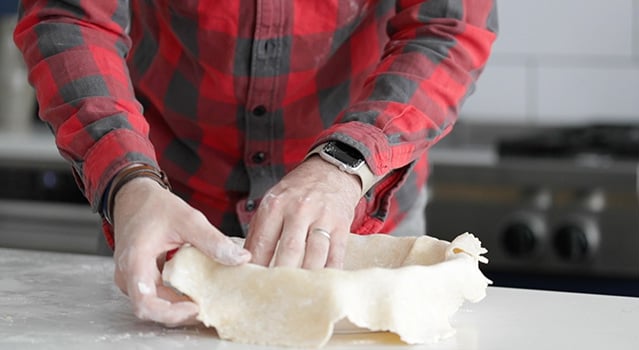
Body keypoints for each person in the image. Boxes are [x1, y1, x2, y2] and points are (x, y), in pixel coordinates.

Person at [14, 0, 498, 327]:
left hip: (359, 213)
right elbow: (69, 15)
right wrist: (128, 179)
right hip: (165, 215)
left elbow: (448, 27)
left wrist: (345, 162)